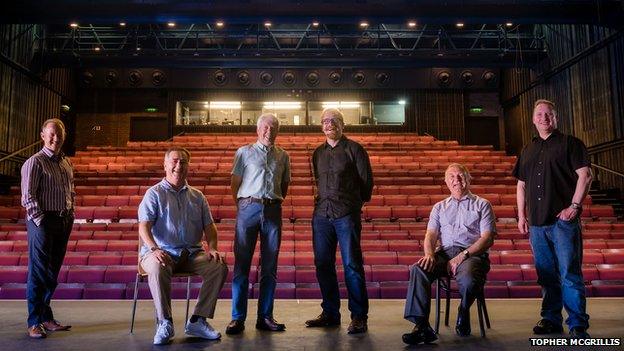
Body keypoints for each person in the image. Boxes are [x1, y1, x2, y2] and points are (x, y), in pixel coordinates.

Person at [513, 99, 593, 339]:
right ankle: (551, 319)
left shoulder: (571, 143)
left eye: (548, 114)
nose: (543, 117)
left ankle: (578, 324)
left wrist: (574, 207)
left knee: (569, 273)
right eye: (539, 114)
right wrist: (521, 215)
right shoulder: (528, 149)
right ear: (533, 119)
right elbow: (520, 185)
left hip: (562, 223)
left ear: (555, 117)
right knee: (546, 274)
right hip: (537, 223)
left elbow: (585, 175)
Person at [138, 147, 228, 345]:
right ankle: (165, 323)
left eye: (183, 162)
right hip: (161, 252)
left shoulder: (198, 196)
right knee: (156, 266)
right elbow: (144, 227)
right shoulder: (154, 194)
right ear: (165, 165)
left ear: (189, 166)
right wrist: (154, 249)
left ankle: (198, 320)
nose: (179, 165)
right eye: (174, 161)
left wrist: (212, 247)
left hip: (191, 255)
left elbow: (210, 227)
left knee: (218, 265)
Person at [402, 163, 496, 345]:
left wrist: (463, 255)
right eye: (451, 177)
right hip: (444, 253)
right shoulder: (439, 207)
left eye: (460, 175)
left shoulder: (482, 204)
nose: (456, 180)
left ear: (468, 178)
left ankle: (463, 309)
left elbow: (487, 238)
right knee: (418, 269)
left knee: (468, 277)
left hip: (472, 254)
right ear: (446, 182)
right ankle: (422, 326)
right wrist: (429, 254)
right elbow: (430, 234)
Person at [304, 108, 373, 334]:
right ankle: (330, 313)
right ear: (321, 126)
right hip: (322, 215)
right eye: (325, 121)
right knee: (323, 264)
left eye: (333, 120)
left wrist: (352, 206)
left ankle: (359, 316)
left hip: (346, 215)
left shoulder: (355, 149)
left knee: (352, 265)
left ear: (342, 124)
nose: (329, 124)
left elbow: (366, 184)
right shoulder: (317, 153)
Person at [227, 113, 291, 334]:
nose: (269, 131)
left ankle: (265, 316)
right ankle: (237, 318)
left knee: (270, 267)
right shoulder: (243, 152)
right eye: (265, 127)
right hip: (248, 208)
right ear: (257, 129)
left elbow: (284, 184)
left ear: (278, 131)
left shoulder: (283, 156)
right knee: (242, 265)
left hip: (273, 209)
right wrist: (244, 205)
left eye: (273, 128)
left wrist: (270, 201)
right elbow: (235, 183)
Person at [21, 118, 75, 339]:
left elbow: (70, 191)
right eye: (51, 134)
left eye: (59, 134)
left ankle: (46, 316)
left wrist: (71, 213)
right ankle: (34, 321)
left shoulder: (66, 163)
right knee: (39, 272)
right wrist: (41, 222)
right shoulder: (35, 162)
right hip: (42, 222)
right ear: (43, 135)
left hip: (63, 220)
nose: (56, 138)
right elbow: (28, 197)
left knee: (52, 273)